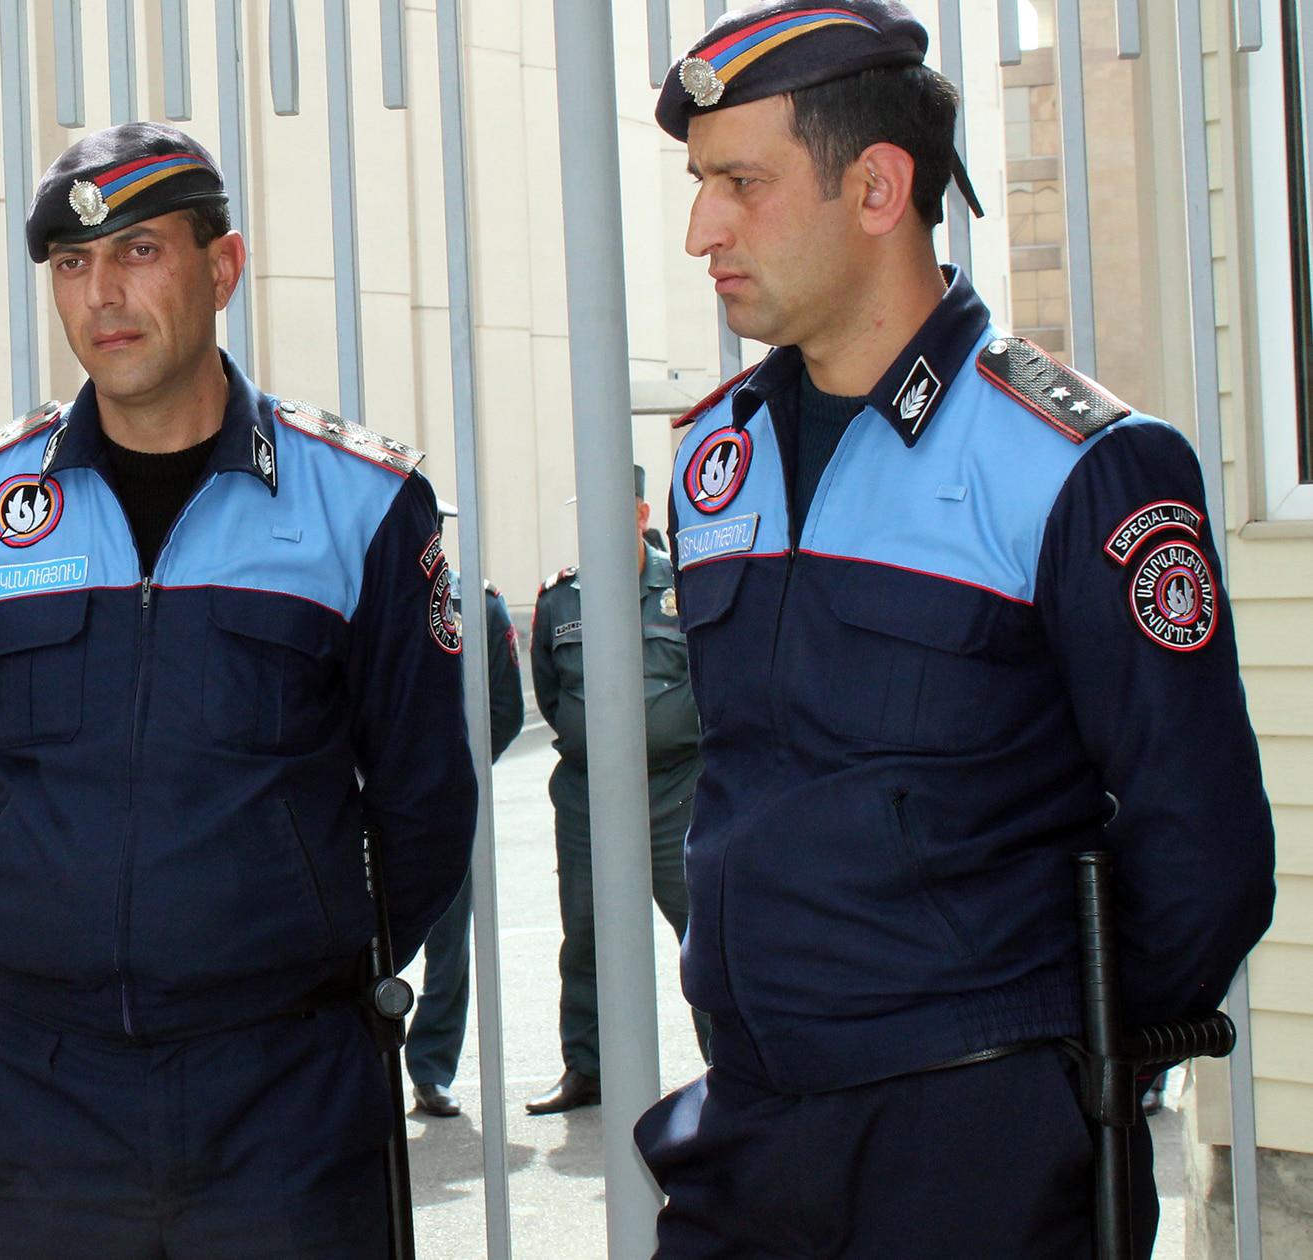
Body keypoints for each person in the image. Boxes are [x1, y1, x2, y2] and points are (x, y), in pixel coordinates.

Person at [640, 4, 1276, 1254]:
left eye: (740, 183)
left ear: (876, 188)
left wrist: (1050, 1066)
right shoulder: (717, 456)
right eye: (697, 184)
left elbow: (1201, 848)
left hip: (972, 1144)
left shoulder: (1073, 464)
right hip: (752, 1125)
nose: (700, 229)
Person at [0, 121, 477, 1255]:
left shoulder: (360, 501)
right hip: (48, 1090)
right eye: (71, 263)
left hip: (283, 1092)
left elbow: (422, 799)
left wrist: (295, 944)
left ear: (221, 268)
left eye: (138, 252)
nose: (101, 295)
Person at [522, 468, 709, 1117]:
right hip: (588, 798)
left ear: (640, 514)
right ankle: (587, 1068)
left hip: (676, 791)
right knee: (585, 935)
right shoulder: (560, 599)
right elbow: (551, 695)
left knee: (703, 932)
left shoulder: (684, 585)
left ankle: (730, 1065)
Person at [403, 500, 524, 1119]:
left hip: (448, 802)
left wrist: (459, 774)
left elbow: (505, 709)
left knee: (449, 946)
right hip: (369, 799)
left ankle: (431, 1068)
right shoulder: (369, 589)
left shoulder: (477, 603)